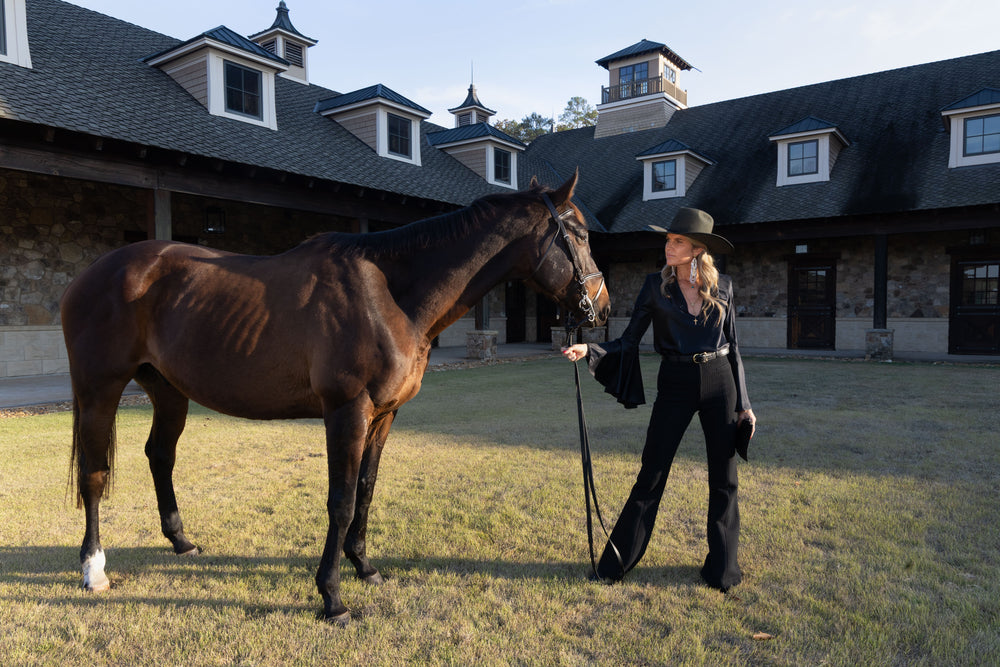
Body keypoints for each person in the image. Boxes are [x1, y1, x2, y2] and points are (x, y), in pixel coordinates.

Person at [562, 207, 756, 592]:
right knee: (650, 474)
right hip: (675, 381)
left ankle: (722, 570)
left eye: (678, 241)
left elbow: (734, 348)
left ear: (698, 249)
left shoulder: (725, 288)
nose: (669, 246)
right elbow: (629, 339)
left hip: (720, 382)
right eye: (668, 240)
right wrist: (592, 349)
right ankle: (614, 566)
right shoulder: (655, 286)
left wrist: (744, 404)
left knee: (725, 480)